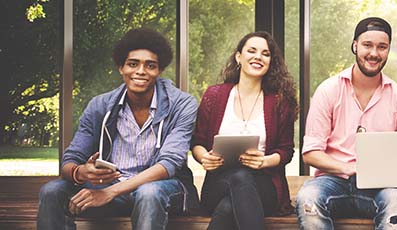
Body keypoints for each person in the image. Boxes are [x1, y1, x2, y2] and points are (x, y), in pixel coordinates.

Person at [37, 28, 199, 230]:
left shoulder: (182, 104)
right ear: (120, 68)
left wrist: (110, 192)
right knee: (52, 191)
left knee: (148, 193)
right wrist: (81, 173)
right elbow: (70, 160)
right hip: (109, 189)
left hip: (162, 189)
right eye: (133, 64)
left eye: (150, 65)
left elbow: (169, 164)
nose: (141, 71)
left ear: (159, 71)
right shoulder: (100, 105)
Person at [295, 17, 397, 230]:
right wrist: (348, 168)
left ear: (388, 50)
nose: (374, 53)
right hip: (331, 181)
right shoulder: (328, 90)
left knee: (395, 201)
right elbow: (310, 153)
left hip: (378, 186)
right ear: (355, 45)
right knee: (308, 198)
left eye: (382, 47)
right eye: (367, 45)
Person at [191, 31, 298, 230]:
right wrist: (205, 157)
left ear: (270, 62)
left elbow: (286, 150)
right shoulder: (214, 95)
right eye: (252, 51)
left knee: (231, 201)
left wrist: (265, 161)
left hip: (265, 185)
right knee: (237, 181)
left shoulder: (279, 101)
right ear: (239, 56)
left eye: (265, 54)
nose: (258, 57)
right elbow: (197, 142)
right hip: (218, 183)